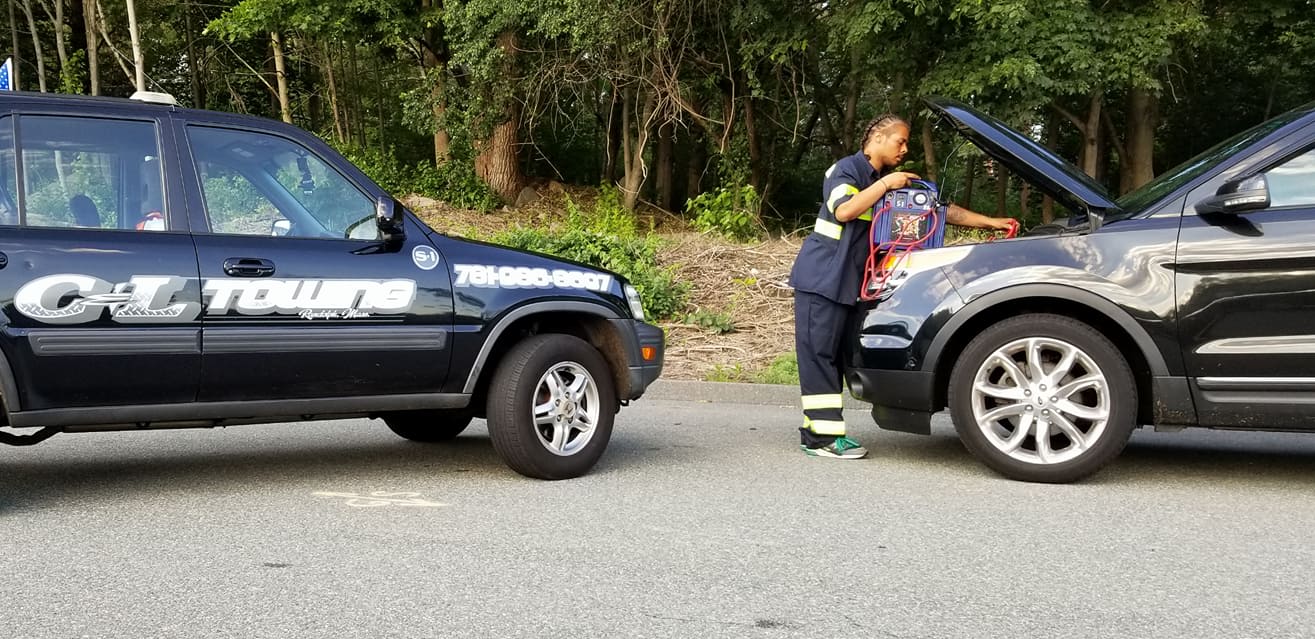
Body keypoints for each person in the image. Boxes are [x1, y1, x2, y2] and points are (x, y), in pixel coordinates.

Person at [789, 114, 1017, 459]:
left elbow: (939, 210)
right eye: (901, 141)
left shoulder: (891, 180)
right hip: (821, 279)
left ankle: (815, 431)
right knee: (818, 355)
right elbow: (845, 210)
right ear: (878, 137)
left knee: (835, 358)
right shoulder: (846, 171)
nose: (905, 149)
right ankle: (822, 438)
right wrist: (885, 186)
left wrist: (991, 222)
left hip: (852, 283)